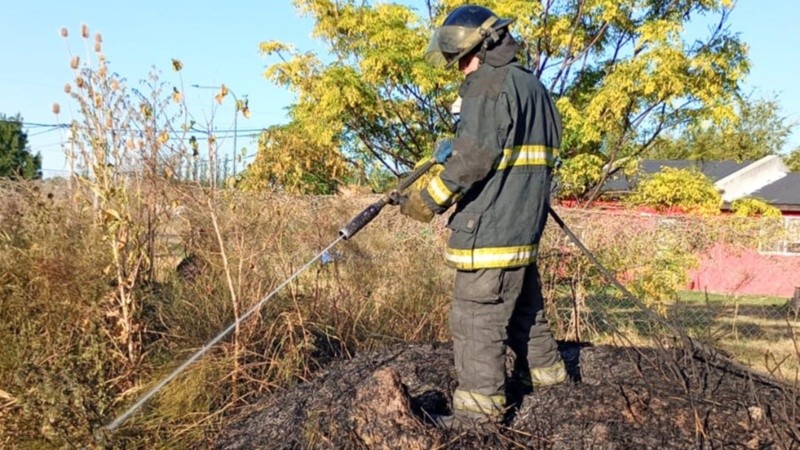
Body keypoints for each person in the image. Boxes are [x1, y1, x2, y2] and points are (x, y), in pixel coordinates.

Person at [393, 4, 567, 426]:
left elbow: (475, 159)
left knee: (475, 317)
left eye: (462, 57)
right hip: (522, 229)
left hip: (490, 230)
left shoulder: (487, 85)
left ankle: (478, 416)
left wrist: (426, 200)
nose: (460, 67)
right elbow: (508, 150)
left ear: (484, 47)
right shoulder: (532, 87)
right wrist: (461, 145)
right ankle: (551, 388)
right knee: (526, 312)